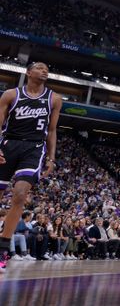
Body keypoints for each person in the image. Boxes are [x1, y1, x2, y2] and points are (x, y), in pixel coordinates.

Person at [0, 62, 61, 272]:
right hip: (8, 144)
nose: (45, 70)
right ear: (28, 72)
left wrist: (51, 158)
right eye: (40, 67)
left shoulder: (54, 98)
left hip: (34, 148)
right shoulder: (10, 94)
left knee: (20, 194)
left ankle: (2, 249)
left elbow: (52, 131)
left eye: (47, 68)